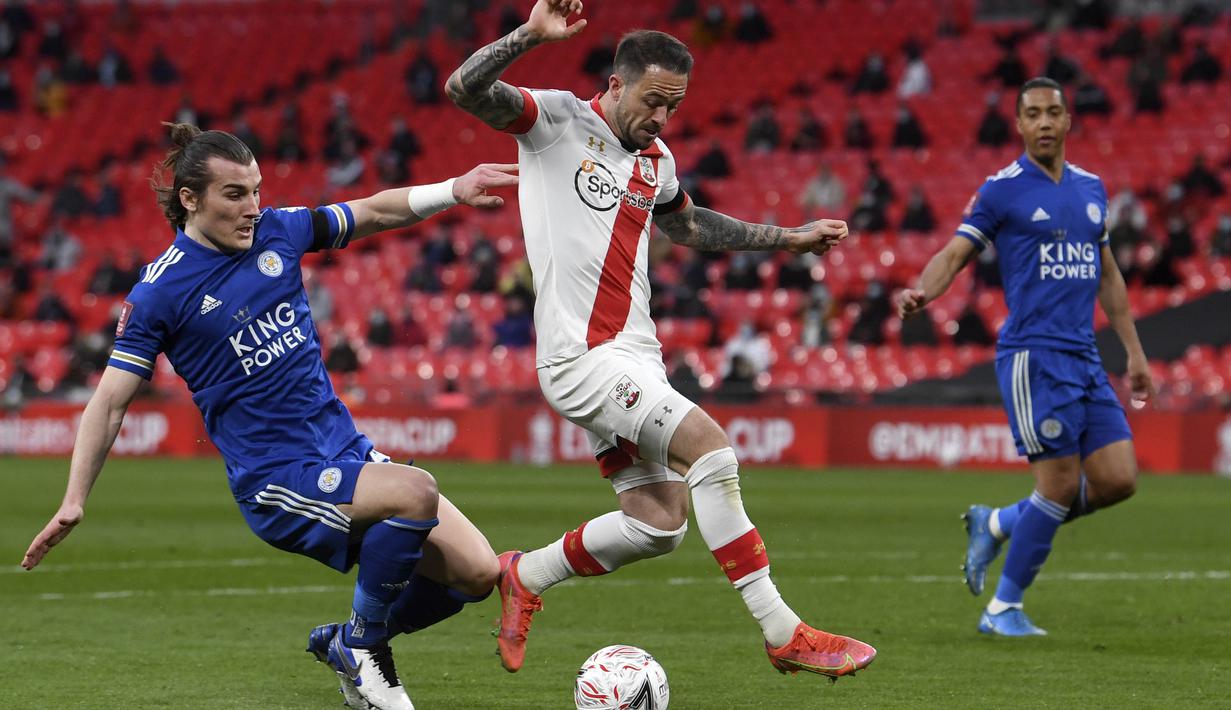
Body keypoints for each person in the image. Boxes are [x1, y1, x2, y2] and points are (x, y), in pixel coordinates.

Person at [21, 123, 519, 710]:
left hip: (345, 452)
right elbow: (109, 402)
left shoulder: (277, 232)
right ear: (190, 199)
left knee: (477, 574)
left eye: (257, 190)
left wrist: (452, 188)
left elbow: (374, 212)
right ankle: (364, 650)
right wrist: (74, 499)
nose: (253, 207)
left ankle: (347, 641)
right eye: (235, 194)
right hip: (277, 478)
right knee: (416, 492)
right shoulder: (159, 292)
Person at [446, 0, 875, 680]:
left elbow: (690, 226)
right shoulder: (556, 122)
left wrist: (785, 238)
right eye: (651, 101)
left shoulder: (655, 158)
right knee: (711, 451)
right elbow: (463, 90)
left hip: (634, 354)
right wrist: (530, 34)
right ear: (615, 85)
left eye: (672, 107)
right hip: (582, 358)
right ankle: (781, 630)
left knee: (656, 523)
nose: (660, 118)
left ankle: (523, 575)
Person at [896, 78, 1153, 637]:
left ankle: (1001, 521)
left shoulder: (1091, 188)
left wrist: (1133, 351)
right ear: (1018, 124)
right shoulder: (1002, 190)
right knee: (1059, 484)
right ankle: (1002, 609)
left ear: (1067, 122)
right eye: (1032, 113)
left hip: (1085, 357)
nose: (1042, 122)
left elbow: (1107, 275)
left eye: (1052, 113)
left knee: (1118, 478)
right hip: (1033, 358)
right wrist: (924, 292)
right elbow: (956, 252)